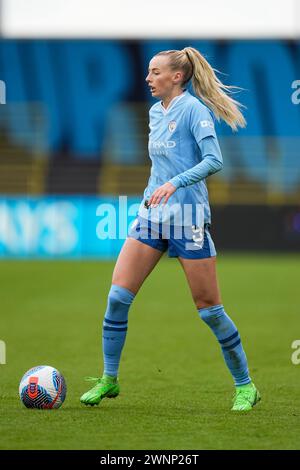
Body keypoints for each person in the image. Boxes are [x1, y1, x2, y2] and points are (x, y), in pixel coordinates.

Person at [80, 47, 261, 411]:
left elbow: (214, 160)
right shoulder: (153, 112)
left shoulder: (195, 111)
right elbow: (161, 164)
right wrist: (154, 191)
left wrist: (174, 184)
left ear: (177, 77)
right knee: (117, 297)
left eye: (155, 72)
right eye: (148, 72)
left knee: (209, 309)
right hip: (152, 216)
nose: (148, 78)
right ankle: (109, 379)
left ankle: (245, 386)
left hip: (188, 219)